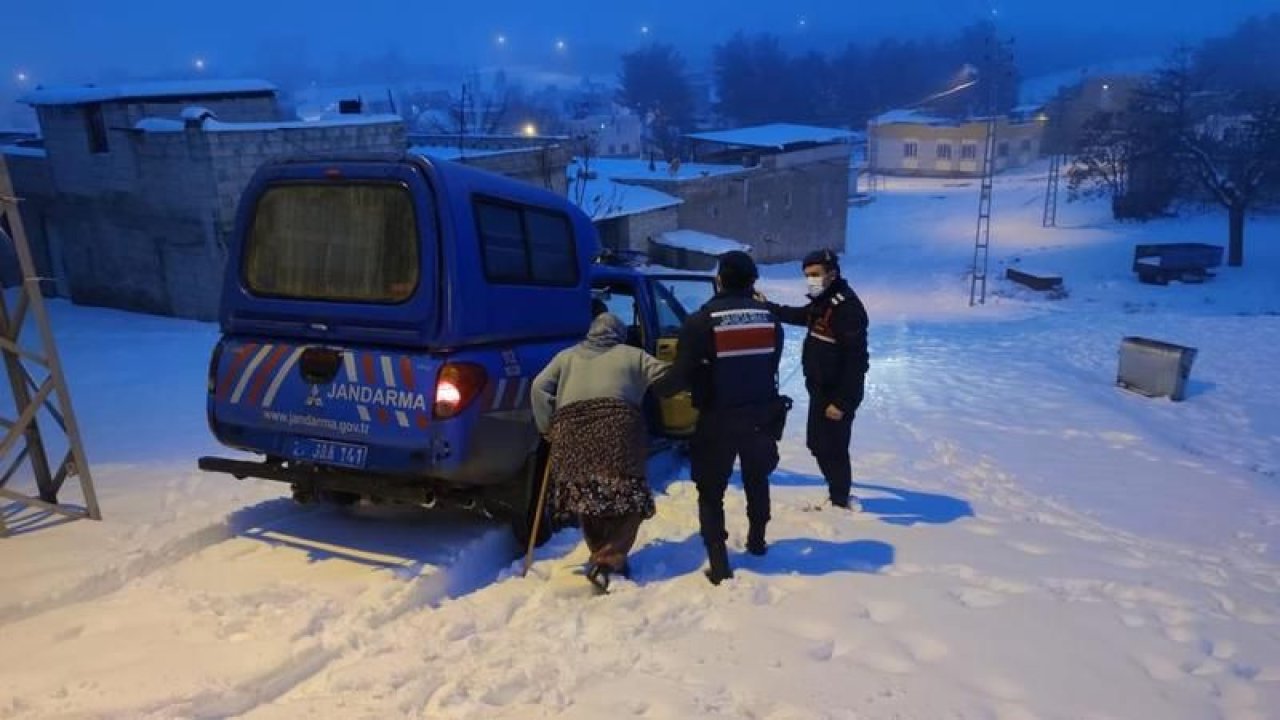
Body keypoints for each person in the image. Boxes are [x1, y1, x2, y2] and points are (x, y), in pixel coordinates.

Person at [658, 250, 785, 585]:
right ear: (752, 281)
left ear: (720, 279)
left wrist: (651, 389)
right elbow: (771, 365)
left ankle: (719, 562)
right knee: (757, 479)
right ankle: (757, 542)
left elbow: (681, 375)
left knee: (711, 491)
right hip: (760, 415)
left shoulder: (702, 321)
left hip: (718, 419)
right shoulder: (769, 318)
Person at [531, 312, 670, 592]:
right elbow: (665, 376)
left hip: (572, 433)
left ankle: (601, 555)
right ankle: (609, 559)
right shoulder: (633, 355)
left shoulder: (567, 356)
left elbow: (538, 387)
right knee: (631, 499)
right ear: (619, 334)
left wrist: (548, 426)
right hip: (617, 431)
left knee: (586, 495)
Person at [764, 248, 869, 511]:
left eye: (815, 274)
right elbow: (802, 315)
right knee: (818, 444)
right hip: (820, 389)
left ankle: (840, 499)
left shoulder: (847, 308)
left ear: (831, 274)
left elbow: (857, 363)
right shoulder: (824, 301)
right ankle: (837, 494)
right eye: (807, 275)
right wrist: (768, 308)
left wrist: (844, 403)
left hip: (836, 395)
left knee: (834, 448)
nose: (810, 279)